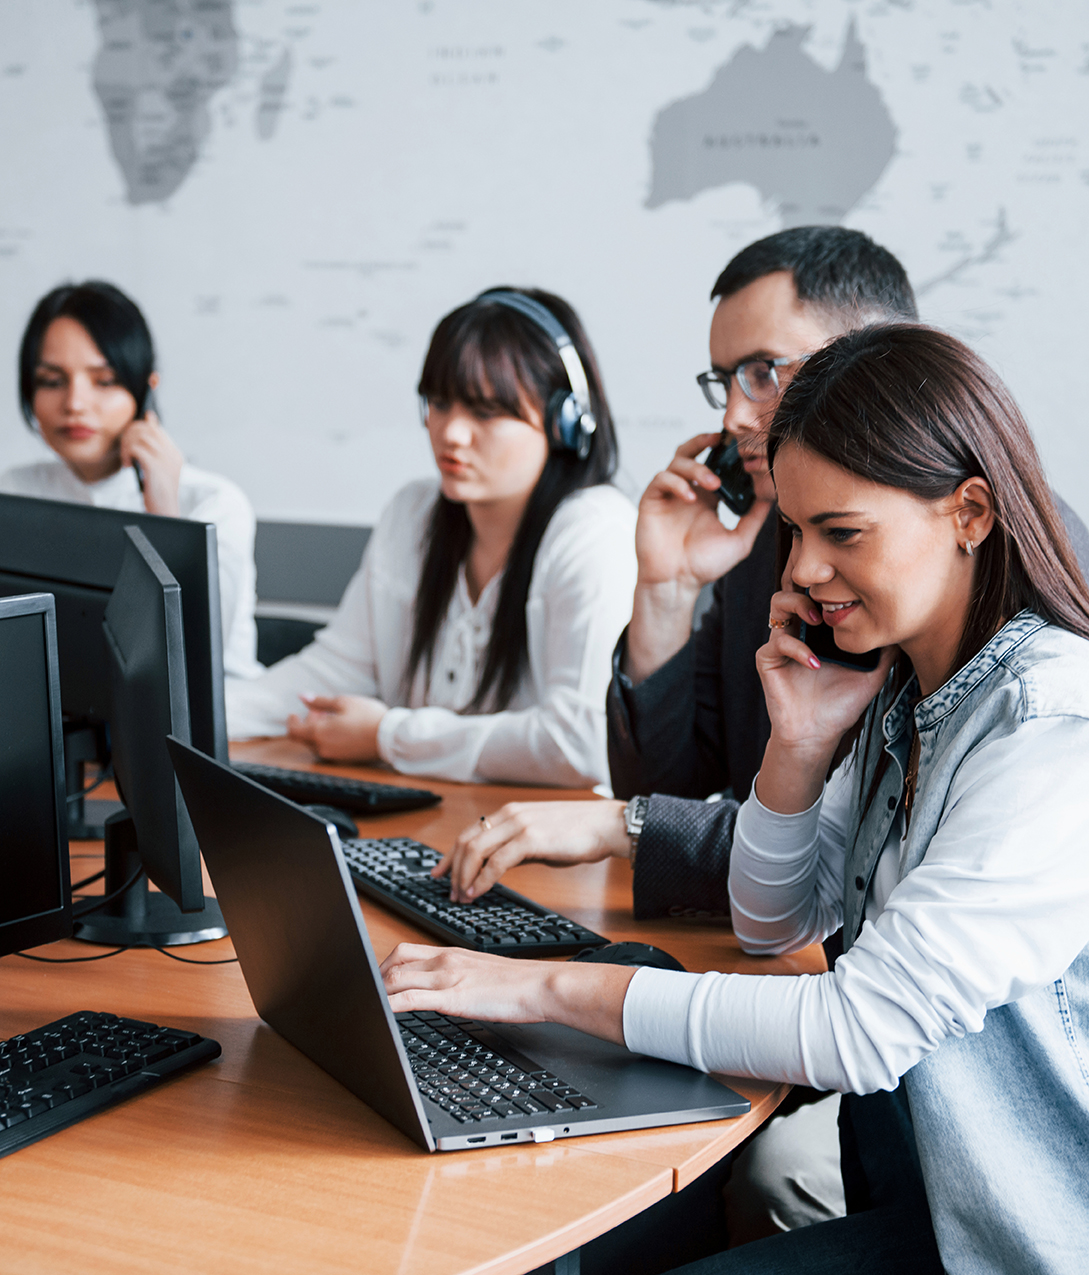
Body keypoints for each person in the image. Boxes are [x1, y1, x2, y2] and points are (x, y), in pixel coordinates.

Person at [381, 323, 1089, 1274]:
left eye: (841, 532)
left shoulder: (1048, 720)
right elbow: (771, 920)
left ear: (968, 513)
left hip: (1027, 1238)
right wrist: (796, 744)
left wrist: (545, 984)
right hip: (937, 1208)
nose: (799, 569)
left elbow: (860, 1029)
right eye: (796, 529)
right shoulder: (916, 688)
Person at [226, 287, 637, 788]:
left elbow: (580, 744)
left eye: (485, 411)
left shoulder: (594, 532)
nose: (451, 434)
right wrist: (189, 716)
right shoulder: (414, 514)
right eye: (439, 403)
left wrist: (387, 736)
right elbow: (331, 674)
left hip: (560, 854)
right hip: (436, 831)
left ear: (565, 422)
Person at [3, 280, 261, 680]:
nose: (74, 404)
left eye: (104, 381)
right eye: (52, 381)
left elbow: (191, 660)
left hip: (219, 732)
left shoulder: (215, 504)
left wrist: (164, 512)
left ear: (145, 389)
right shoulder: (14, 493)